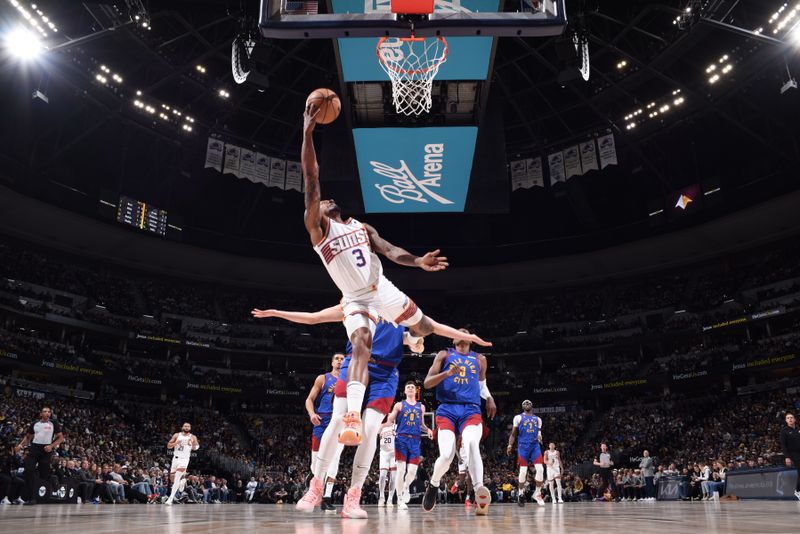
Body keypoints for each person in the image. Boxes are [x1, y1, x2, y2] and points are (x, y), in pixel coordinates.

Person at [299, 103, 491, 447]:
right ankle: (352, 416)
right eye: (319, 202)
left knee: (425, 328)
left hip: (382, 288)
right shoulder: (318, 228)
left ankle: (418, 343)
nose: (323, 201)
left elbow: (389, 250)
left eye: (327, 200)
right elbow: (312, 177)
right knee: (360, 344)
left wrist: (417, 262)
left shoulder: (361, 226)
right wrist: (308, 132)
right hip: (356, 298)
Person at [264, 305, 423, 519]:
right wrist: (278, 312)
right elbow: (314, 316)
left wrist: (415, 341)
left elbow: (413, 338)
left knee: (369, 430)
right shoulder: (355, 301)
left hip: (385, 372)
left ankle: (353, 496)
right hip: (355, 362)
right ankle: (316, 485)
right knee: (338, 420)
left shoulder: (399, 307)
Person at [421, 331, 497, 515]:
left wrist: (489, 397)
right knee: (447, 456)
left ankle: (479, 490)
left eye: (466, 333)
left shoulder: (480, 359)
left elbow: (481, 385)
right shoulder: (444, 355)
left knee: (471, 443)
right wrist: (447, 373)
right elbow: (427, 383)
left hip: (470, 409)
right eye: (458, 333)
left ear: (471, 339)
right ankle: (433, 484)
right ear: (452, 338)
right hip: (447, 409)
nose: (462, 335)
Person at [305, 352, 345, 511]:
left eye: (343, 359)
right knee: (316, 464)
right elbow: (309, 399)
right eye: (337, 358)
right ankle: (314, 486)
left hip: (340, 422)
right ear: (332, 362)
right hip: (323, 420)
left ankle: (327, 498)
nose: (340, 361)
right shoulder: (323, 378)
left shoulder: (349, 381)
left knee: (335, 461)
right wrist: (312, 414)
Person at [386, 381, 433, 509]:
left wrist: (428, 430)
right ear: (405, 391)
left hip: (415, 440)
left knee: (412, 471)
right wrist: (389, 421)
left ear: (416, 391)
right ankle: (400, 498)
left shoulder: (421, 407)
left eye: (413, 387)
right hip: (401, 439)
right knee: (401, 470)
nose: (411, 389)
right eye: (408, 387)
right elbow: (390, 419)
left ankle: (406, 487)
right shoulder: (399, 405)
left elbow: (421, 425)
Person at [13, 405, 64, 506]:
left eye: (49, 411)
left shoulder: (54, 423)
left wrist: (51, 446)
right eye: (45, 411)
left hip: (46, 450)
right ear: (41, 413)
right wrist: (20, 445)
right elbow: (28, 437)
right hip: (34, 449)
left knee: (43, 474)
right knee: (28, 470)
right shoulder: (34, 424)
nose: (47, 413)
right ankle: (32, 498)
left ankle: (53, 480)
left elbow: (61, 438)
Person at [507, 400, 545, 506]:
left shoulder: (538, 419)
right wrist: (510, 445)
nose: (527, 405)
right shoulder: (518, 418)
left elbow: (539, 433)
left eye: (529, 404)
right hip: (523, 447)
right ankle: (520, 494)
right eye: (525, 404)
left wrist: (540, 437)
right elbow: (513, 434)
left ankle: (537, 493)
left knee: (541, 469)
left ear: (532, 406)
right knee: (523, 471)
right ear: (523, 407)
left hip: (534, 446)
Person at [164, 422, 199, 505]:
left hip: (184, 459)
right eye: (185, 426)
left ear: (190, 428)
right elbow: (168, 446)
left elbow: (197, 447)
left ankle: (170, 498)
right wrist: (176, 443)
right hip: (175, 459)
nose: (186, 427)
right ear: (182, 427)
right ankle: (183, 480)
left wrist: (192, 445)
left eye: (188, 426)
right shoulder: (176, 435)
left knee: (177, 477)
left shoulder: (193, 437)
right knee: (172, 479)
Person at [779, 411, 800, 501]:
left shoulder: (798, 429)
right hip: (793, 454)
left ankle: (798, 490)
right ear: (786, 420)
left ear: (794, 419)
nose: (790, 419)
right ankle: (798, 491)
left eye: (791, 417)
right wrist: (787, 457)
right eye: (788, 418)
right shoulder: (784, 431)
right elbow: (783, 445)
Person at [377, 420, 397, 507]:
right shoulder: (381, 426)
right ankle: (381, 497)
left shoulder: (396, 426)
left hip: (394, 453)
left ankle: (390, 499)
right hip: (384, 453)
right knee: (382, 476)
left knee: (393, 478)